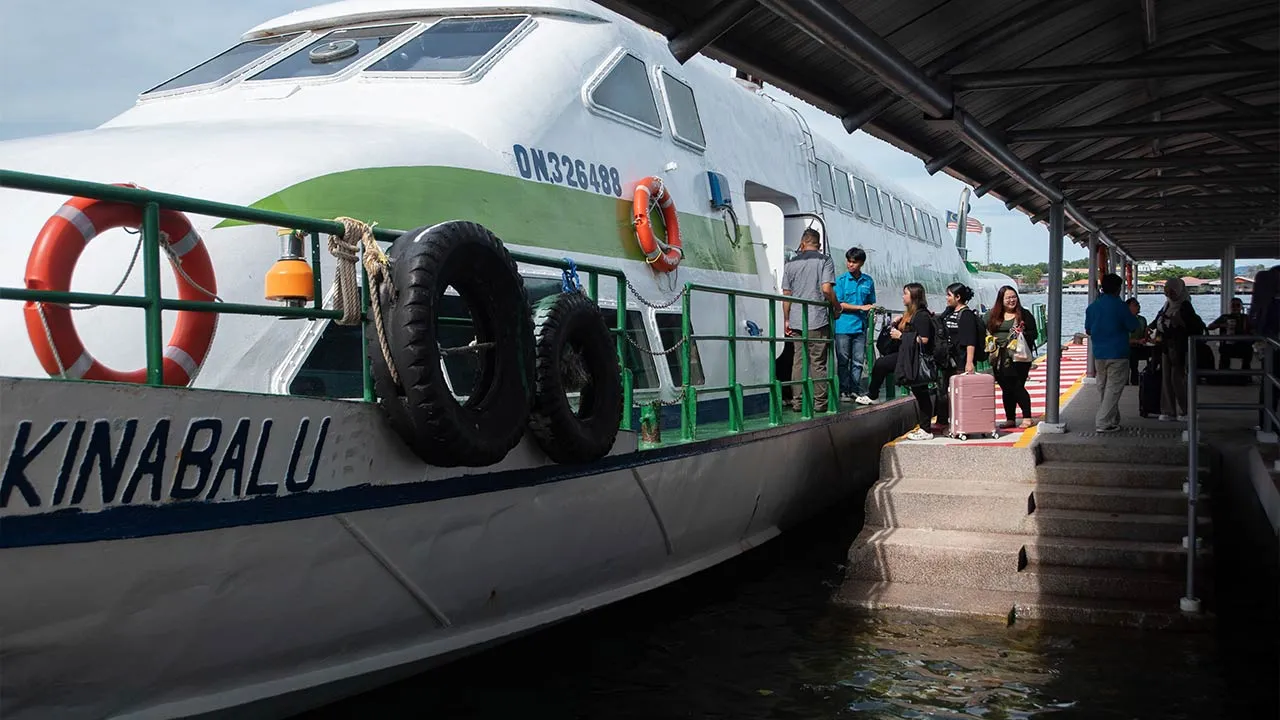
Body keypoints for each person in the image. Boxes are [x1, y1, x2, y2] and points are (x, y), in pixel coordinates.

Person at [865, 283, 935, 441]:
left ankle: (926, 429)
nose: (903, 297)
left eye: (905, 294)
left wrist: (901, 336)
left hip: (915, 359)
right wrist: (897, 325)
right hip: (907, 356)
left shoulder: (922, 315)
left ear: (914, 296)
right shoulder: (909, 314)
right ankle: (873, 394)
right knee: (883, 364)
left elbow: (924, 339)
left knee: (921, 392)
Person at [781, 228, 839, 413]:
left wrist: (787, 320)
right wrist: (837, 306)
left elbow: (786, 295)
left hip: (797, 319)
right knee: (818, 362)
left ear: (802, 243)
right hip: (818, 318)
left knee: (798, 361)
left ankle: (798, 402)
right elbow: (827, 289)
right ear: (819, 244)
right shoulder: (825, 260)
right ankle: (820, 403)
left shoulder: (790, 264)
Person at [1084, 273, 1140, 432]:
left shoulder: (1093, 307)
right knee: (1113, 389)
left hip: (1099, 353)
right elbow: (1133, 326)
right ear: (1117, 288)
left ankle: (1113, 419)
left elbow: (1088, 329)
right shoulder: (1120, 306)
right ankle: (1103, 422)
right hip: (1118, 352)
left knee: (1103, 388)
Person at [985, 286, 1039, 429]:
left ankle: (1027, 417)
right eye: (1008, 298)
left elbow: (1034, 334)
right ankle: (1010, 418)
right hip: (998, 357)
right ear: (1001, 300)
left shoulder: (1024, 314)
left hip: (1018, 357)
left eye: (1013, 297)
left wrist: (1022, 334)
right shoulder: (993, 315)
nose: (1011, 300)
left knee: (1017, 386)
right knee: (1005, 388)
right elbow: (983, 329)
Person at [1153, 277, 1205, 422]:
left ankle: (1186, 410)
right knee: (1166, 379)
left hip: (1180, 347)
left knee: (1178, 379)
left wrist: (1180, 323)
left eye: (1172, 291)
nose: (1169, 294)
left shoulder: (1185, 305)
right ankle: (1168, 410)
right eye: (1167, 291)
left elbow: (1194, 327)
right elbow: (1159, 319)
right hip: (1166, 345)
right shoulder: (1167, 304)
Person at [933, 283, 983, 431]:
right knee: (944, 391)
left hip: (961, 360)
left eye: (949, 295)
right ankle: (943, 420)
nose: (947, 298)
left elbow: (970, 340)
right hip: (948, 359)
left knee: (960, 393)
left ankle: (962, 421)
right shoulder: (949, 312)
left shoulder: (966, 315)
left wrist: (969, 362)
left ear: (958, 297)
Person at [833, 247, 876, 405]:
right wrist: (860, 308)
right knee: (843, 360)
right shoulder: (841, 281)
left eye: (854, 262)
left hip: (860, 327)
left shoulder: (868, 281)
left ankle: (854, 389)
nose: (850, 265)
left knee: (858, 361)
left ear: (861, 263)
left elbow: (871, 302)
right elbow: (839, 304)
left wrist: (870, 310)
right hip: (842, 327)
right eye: (849, 261)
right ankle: (844, 390)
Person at [1208, 297, 1253, 370]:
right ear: (1230, 307)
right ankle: (1223, 375)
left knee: (1248, 351)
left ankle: (1245, 375)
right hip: (1227, 345)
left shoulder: (1246, 318)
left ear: (1241, 307)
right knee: (1224, 355)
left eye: (1238, 305)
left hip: (1242, 345)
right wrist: (1221, 325)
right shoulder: (1224, 317)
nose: (1235, 307)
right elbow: (1210, 327)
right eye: (1233, 305)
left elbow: (1253, 329)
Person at [1127, 297, 1152, 385]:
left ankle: (1150, 375)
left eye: (1138, 305)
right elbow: (1124, 339)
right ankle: (1133, 379)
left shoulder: (1142, 319)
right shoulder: (1125, 320)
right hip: (1128, 347)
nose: (1138, 306)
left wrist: (1147, 336)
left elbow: (1145, 336)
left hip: (1141, 346)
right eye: (1136, 305)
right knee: (1132, 354)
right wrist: (1137, 341)